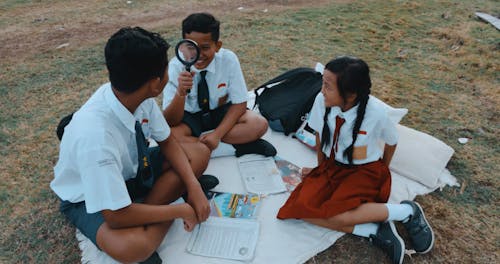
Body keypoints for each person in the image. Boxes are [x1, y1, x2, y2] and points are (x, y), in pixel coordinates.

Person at [51, 27, 215, 264]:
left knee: (199, 152)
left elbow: (167, 140)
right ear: (155, 83)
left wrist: (194, 187)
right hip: (86, 196)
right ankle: (158, 209)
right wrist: (180, 210)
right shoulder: (95, 137)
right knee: (133, 248)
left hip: (133, 168)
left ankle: (144, 213)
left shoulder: (134, 95)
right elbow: (114, 216)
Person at [277, 56, 434, 264]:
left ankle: (407, 211)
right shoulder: (321, 100)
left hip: (364, 171)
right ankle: (373, 231)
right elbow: (319, 135)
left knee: (338, 215)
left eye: (328, 86)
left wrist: (382, 172)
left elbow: (392, 141)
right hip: (333, 167)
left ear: (350, 94)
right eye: (323, 82)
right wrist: (320, 168)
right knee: (296, 209)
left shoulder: (376, 113)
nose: (322, 89)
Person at [162, 13, 276, 157]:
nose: (197, 54)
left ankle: (200, 148)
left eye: (204, 47)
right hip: (190, 118)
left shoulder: (228, 59)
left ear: (217, 46)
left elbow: (239, 103)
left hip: (220, 112)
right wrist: (181, 93)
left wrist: (217, 134)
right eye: (191, 47)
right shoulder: (175, 66)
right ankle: (239, 146)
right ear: (182, 46)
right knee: (168, 137)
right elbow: (170, 120)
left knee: (259, 124)